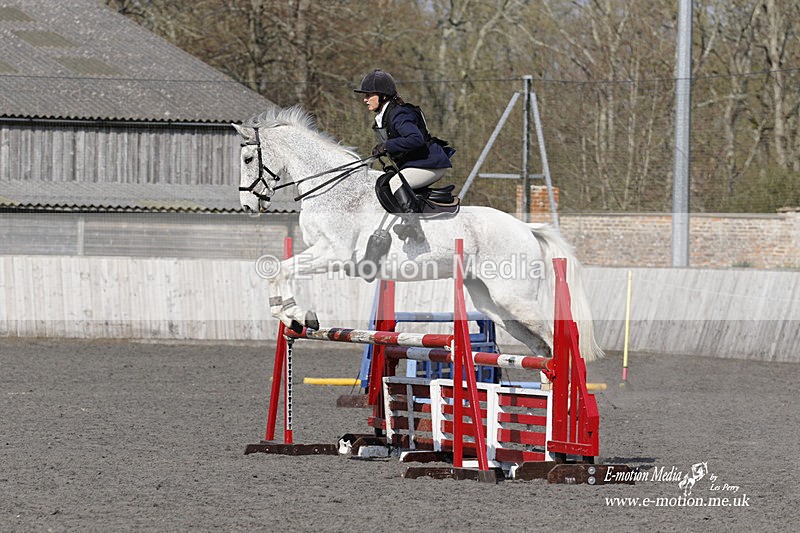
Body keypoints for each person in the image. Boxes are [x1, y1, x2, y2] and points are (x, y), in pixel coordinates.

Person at [353, 69, 453, 280]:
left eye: (368, 95)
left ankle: (413, 226)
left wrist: (387, 145)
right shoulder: (385, 115)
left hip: (431, 164)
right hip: (418, 163)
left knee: (397, 181)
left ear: (383, 96)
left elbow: (415, 139)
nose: (364, 99)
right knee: (383, 183)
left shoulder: (399, 113)